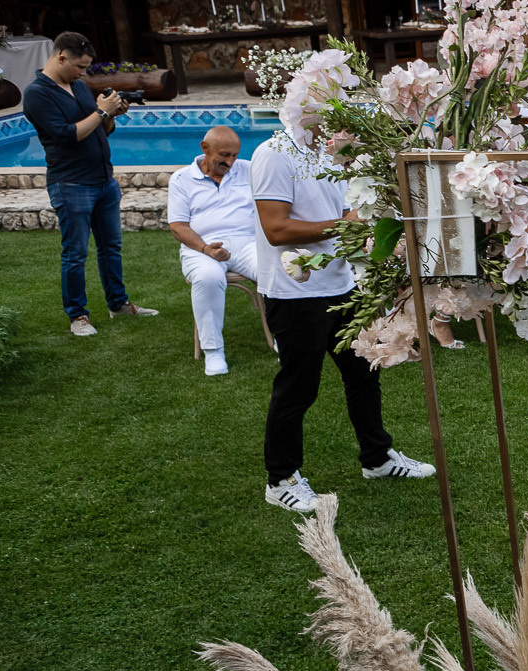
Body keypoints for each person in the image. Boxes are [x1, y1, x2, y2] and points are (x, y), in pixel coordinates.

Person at [250, 123, 435, 513]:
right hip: (294, 291)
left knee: (364, 374)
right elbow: (275, 229)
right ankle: (280, 478)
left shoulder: (329, 151)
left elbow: (346, 211)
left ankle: (377, 458)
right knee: (299, 387)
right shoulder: (272, 153)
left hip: (340, 284)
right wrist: (345, 224)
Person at [24, 31, 157, 336]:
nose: (84, 73)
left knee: (111, 246)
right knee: (75, 253)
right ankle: (78, 315)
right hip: (71, 184)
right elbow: (67, 135)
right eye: (79, 66)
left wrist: (112, 116)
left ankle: (118, 304)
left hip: (103, 180)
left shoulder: (80, 87)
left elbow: (100, 131)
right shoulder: (37, 93)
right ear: (61, 57)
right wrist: (101, 111)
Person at [167, 126, 260, 377]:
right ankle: (214, 350)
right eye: (224, 155)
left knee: (275, 270)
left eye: (234, 155)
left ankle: (285, 338)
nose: (230, 161)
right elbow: (177, 226)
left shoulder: (250, 169)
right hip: (200, 246)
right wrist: (206, 249)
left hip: (247, 243)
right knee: (208, 277)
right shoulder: (181, 178)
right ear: (204, 148)